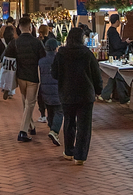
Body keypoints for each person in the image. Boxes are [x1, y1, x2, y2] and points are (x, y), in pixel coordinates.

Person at [52, 27, 103, 165]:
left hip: (67, 93)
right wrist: (98, 90)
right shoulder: (87, 54)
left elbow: (54, 73)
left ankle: (69, 151)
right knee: (84, 126)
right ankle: (80, 156)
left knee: (69, 122)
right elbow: (96, 74)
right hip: (85, 94)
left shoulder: (61, 54)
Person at [2, 16, 46, 142]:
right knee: (30, 103)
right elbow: (43, 58)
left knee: (25, 101)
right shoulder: (37, 42)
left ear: (19, 28)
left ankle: (31, 126)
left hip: (20, 75)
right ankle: (22, 131)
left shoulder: (14, 42)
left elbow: (6, 57)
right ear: (30, 27)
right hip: (33, 76)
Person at [99, 14, 132, 104]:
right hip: (115, 57)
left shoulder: (110, 31)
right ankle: (123, 98)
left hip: (112, 56)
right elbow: (117, 45)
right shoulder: (113, 32)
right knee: (119, 76)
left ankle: (104, 95)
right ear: (117, 21)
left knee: (113, 76)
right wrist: (125, 43)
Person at [39, 38, 63, 146]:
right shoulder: (59, 59)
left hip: (45, 90)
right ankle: (54, 130)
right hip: (57, 89)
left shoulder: (41, 61)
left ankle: (51, 125)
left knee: (50, 109)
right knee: (59, 111)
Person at [36, 24, 50, 122]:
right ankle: (50, 113)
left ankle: (42, 114)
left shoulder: (37, 41)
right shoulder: (51, 40)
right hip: (50, 69)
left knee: (41, 92)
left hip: (40, 68)